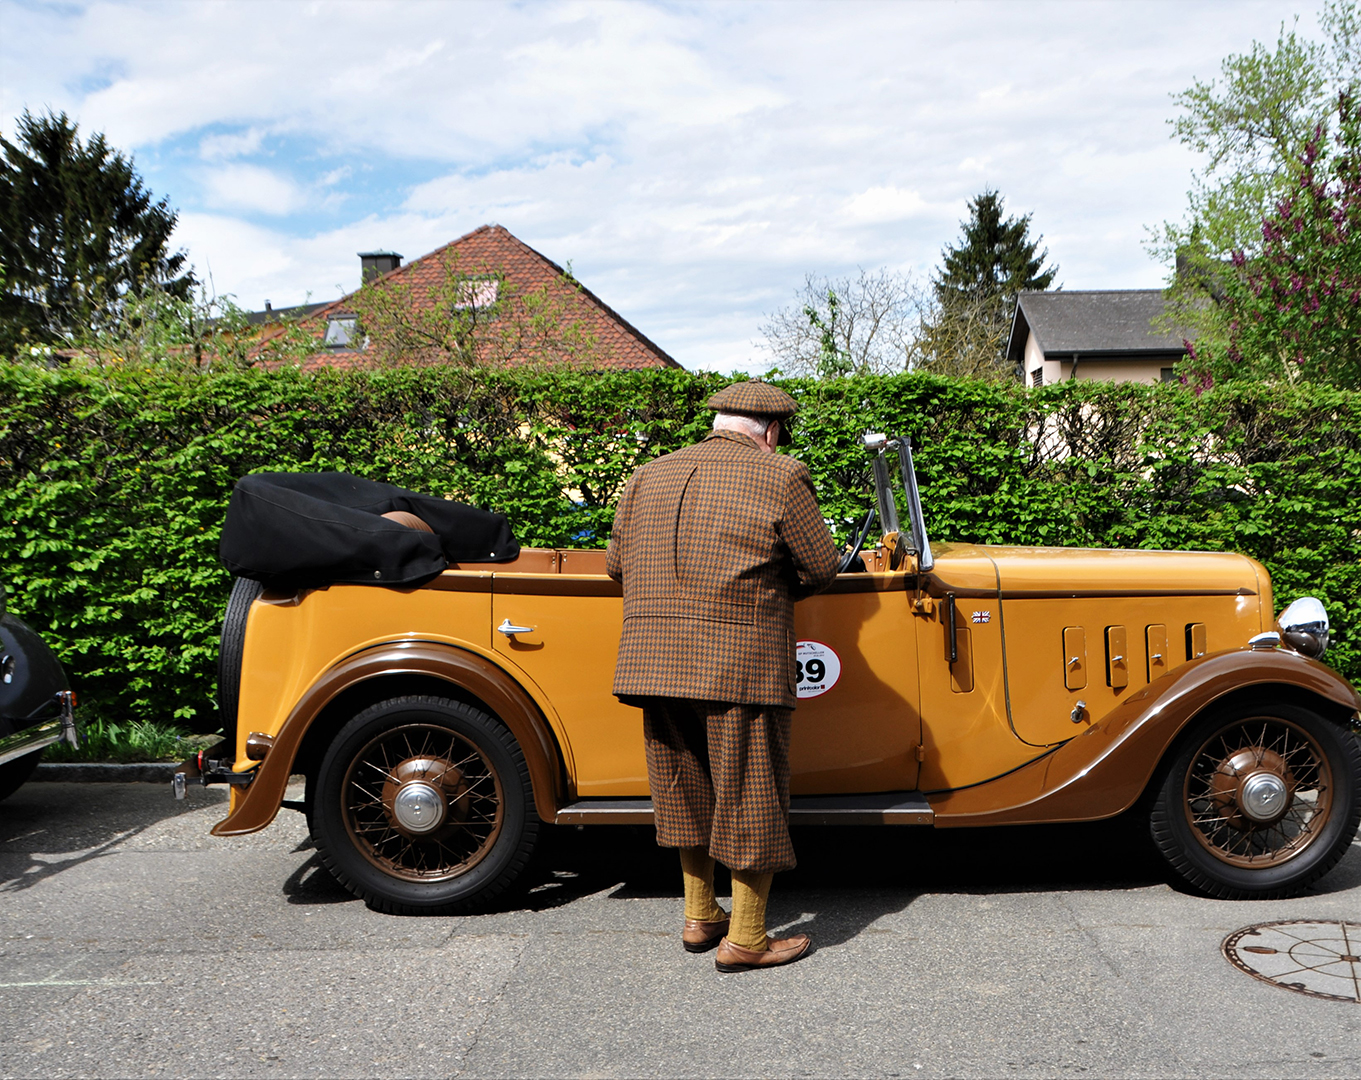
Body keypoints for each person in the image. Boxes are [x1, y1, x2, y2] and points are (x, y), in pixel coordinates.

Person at [605, 380, 840, 972]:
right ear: (771, 431)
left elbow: (615, 566)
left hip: (653, 659)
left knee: (682, 786)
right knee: (752, 794)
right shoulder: (781, 474)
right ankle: (748, 938)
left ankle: (698, 915)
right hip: (740, 661)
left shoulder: (647, 475)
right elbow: (820, 567)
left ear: (718, 422)